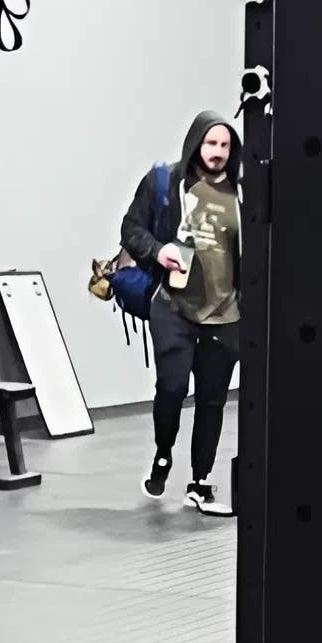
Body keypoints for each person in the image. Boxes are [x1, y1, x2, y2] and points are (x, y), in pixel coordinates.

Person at [118, 114, 243, 513]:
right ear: (195, 144)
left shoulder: (244, 194)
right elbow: (131, 229)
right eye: (211, 144)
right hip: (173, 308)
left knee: (212, 399)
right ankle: (163, 453)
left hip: (226, 315)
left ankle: (200, 480)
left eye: (225, 146)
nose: (217, 153)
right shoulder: (167, 182)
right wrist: (159, 252)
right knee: (171, 388)